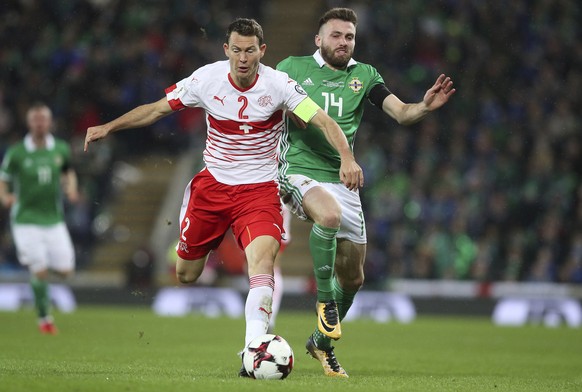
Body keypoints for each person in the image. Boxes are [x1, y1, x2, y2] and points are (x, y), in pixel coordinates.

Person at [84, 18, 363, 376]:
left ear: (262, 51)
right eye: (237, 50)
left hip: (261, 191)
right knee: (186, 274)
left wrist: (347, 156)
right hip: (212, 188)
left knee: (262, 267)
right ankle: (245, 331)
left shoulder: (279, 85)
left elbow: (323, 120)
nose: (243, 58)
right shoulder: (206, 79)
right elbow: (156, 109)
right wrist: (109, 126)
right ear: (226, 50)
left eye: (250, 50)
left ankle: (252, 353)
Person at [277, 8, 456, 377]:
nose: (343, 42)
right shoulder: (291, 68)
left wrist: (424, 106)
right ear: (318, 39)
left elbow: (402, 113)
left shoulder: (365, 76)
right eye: (336, 35)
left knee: (354, 278)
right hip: (298, 170)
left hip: (343, 179)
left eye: (349, 37)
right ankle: (325, 303)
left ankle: (320, 343)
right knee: (328, 216)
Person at [0, 103, 79, 335]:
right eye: (35, 119)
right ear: (29, 123)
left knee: (65, 271)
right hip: (25, 220)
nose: (39, 123)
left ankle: (39, 274)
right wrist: (5, 197)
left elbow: (68, 172)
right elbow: (3, 179)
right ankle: (44, 318)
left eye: (43, 119)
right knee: (40, 269)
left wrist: (71, 188)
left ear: (50, 122)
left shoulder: (61, 149)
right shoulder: (17, 152)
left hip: (53, 219)